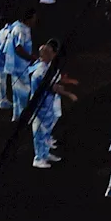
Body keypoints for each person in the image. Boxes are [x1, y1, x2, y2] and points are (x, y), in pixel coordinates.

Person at [25, 40, 78, 169]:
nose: (54, 55)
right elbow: (52, 87)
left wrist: (69, 81)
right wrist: (69, 95)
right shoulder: (40, 71)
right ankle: (38, 159)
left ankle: (45, 154)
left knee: (46, 131)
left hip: (48, 104)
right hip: (40, 107)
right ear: (47, 55)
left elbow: (57, 78)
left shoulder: (48, 66)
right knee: (40, 133)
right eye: (52, 53)